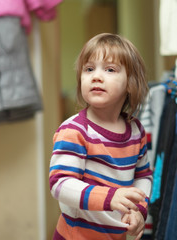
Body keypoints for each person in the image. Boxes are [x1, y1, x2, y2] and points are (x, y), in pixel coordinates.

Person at [49, 33, 153, 240]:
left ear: (130, 83)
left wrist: (138, 210)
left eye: (110, 69)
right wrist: (110, 197)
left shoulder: (135, 130)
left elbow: (143, 176)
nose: (96, 76)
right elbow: (60, 184)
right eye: (89, 69)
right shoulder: (75, 130)